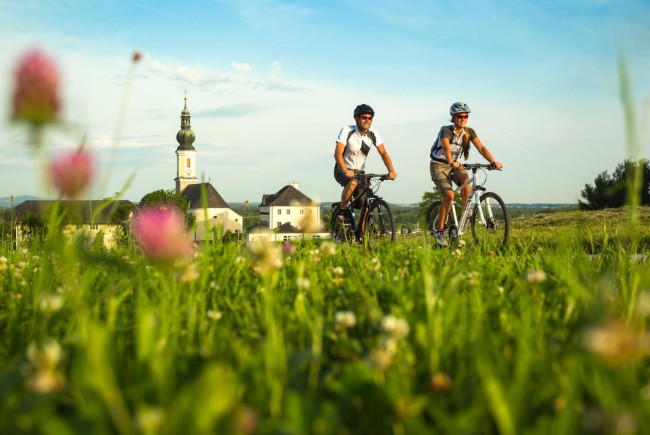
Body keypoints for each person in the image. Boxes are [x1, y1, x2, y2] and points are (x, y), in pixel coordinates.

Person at [429, 102, 503, 246]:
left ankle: (466, 209)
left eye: (465, 116)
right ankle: (440, 231)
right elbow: (446, 148)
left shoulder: (469, 132)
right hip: (439, 165)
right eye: (459, 116)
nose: (463, 119)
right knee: (449, 195)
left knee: (465, 177)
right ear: (453, 118)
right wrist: (452, 162)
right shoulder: (446, 131)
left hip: (454, 165)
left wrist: (493, 161)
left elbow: (481, 147)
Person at [333, 104, 397, 220]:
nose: (367, 120)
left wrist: (391, 170)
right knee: (352, 183)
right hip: (342, 168)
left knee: (365, 207)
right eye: (364, 117)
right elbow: (337, 153)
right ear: (356, 118)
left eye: (370, 118)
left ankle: (361, 237)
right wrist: (345, 169)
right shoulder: (347, 130)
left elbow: (383, 153)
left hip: (360, 172)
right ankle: (342, 210)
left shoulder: (373, 133)